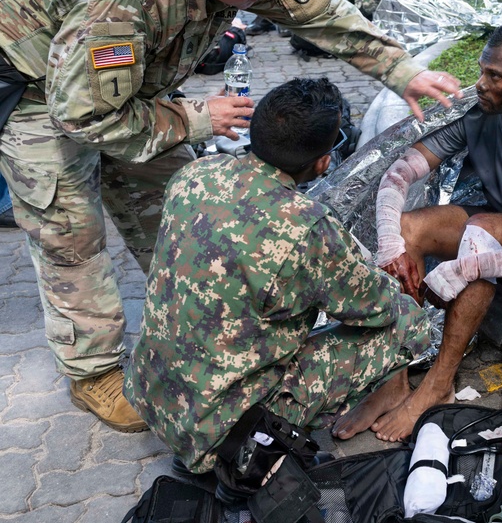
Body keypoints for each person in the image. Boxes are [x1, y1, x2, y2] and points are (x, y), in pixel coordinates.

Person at [0, 0, 459, 434]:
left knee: (170, 196)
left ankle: (187, 312)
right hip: (36, 88)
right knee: (69, 228)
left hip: (123, 85)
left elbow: (319, 12)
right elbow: (85, 115)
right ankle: (91, 369)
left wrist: (402, 70)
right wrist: (197, 117)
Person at [125, 77, 432, 474]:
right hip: (217, 435)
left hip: (150, 393)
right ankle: (261, 442)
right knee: (407, 319)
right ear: (323, 160)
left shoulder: (196, 173)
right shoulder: (307, 226)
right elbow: (375, 309)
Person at [332, 22, 502, 443]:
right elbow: (399, 173)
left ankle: (439, 383)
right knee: (408, 227)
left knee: (479, 230)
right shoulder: (478, 114)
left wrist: (465, 269)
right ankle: (394, 378)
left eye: (495, 77)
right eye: (482, 70)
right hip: (487, 225)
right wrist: (389, 242)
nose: (481, 84)